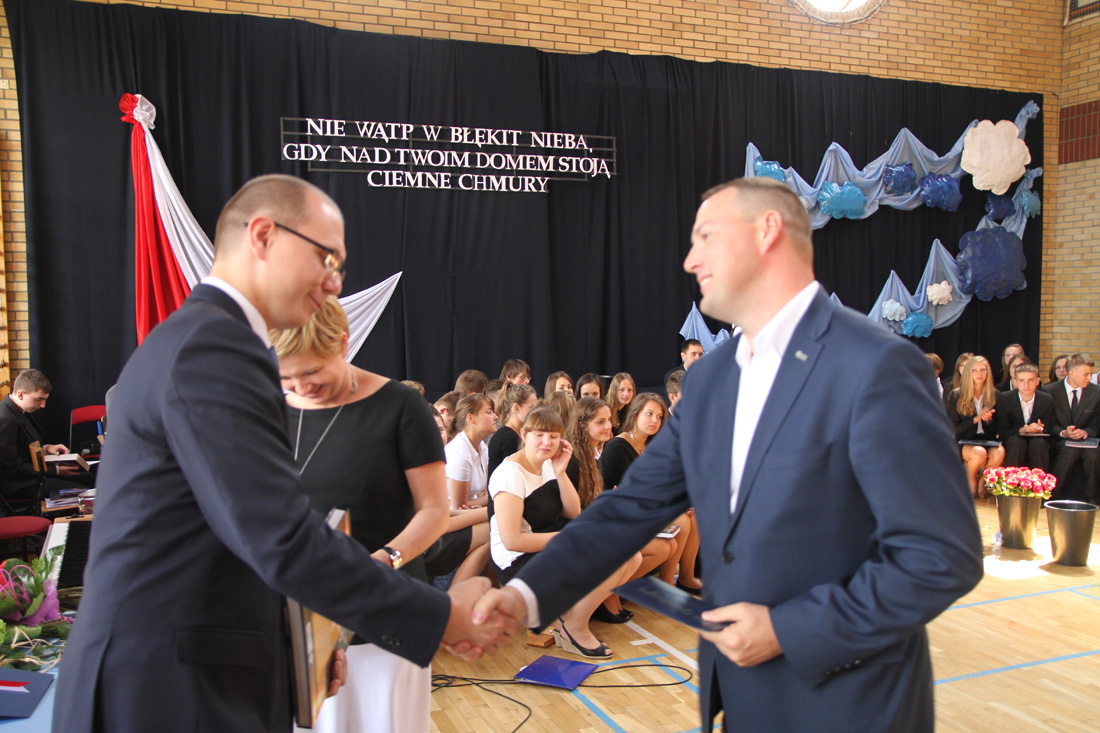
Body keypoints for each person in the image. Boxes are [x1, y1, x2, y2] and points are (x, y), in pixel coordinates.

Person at [500, 177, 982, 732]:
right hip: (741, 697)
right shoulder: (710, 381)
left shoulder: (876, 366)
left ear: (767, 231)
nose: (690, 260)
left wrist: (786, 630)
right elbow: (629, 508)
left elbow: (940, 554)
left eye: (705, 237)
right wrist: (521, 597)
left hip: (849, 703)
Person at [53, 175, 522, 733]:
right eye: (327, 259)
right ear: (263, 236)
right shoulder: (216, 348)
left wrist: (303, 642)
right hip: (171, 688)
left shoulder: (204, 338)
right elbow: (279, 538)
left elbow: (238, 539)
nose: (334, 283)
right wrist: (441, 615)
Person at [272, 297, 448, 733]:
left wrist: (385, 560)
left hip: (383, 616)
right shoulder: (270, 410)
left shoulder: (401, 406)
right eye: (286, 376)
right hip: (300, 618)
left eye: (312, 372)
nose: (300, 387)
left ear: (343, 343)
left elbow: (434, 510)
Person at [488, 406, 639, 657]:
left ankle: (570, 618)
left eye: (554, 436)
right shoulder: (510, 475)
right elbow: (512, 541)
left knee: (631, 556)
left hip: (548, 543)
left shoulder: (547, 463)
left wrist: (560, 472)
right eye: (539, 435)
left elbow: (573, 512)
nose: (547, 442)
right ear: (524, 435)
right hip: (518, 560)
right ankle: (573, 627)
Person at [600, 394, 691, 588]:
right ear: (635, 414)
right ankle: (665, 583)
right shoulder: (618, 446)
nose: (654, 420)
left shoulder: (652, 444)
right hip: (623, 515)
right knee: (682, 520)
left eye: (659, 416)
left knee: (694, 517)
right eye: (649, 414)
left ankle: (684, 578)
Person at [0, 368, 95, 500]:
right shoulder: (4, 418)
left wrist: (46, 448)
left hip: (32, 474)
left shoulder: (19, 410)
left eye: (44, 400)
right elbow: (11, 468)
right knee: (82, 491)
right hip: (19, 484)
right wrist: (56, 470)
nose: (43, 405)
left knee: (88, 477)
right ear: (21, 394)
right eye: (39, 399)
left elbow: (23, 446)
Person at [945, 355, 1005, 497]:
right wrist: (975, 419)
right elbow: (953, 429)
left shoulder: (995, 394)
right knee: (979, 453)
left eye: (983, 370)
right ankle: (970, 478)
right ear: (968, 373)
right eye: (975, 370)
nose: (979, 374)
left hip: (986, 439)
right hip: (963, 440)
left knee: (999, 452)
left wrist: (988, 420)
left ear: (988, 372)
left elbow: (998, 428)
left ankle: (982, 480)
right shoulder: (956, 395)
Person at [1048, 353, 1100, 503]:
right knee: (1071, 450)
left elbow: (1096, 424)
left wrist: (1085, 432)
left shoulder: (1096, 393)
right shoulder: (1050, 392)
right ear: (1071, 373)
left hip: (1086, 440)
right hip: (1060, 439)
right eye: (1086, 374)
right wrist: (1064, 432)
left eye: (1091, 374)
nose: (1090, 378)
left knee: (1093, 454)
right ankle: (1054, 495)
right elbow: (1048, 424)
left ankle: (1093, 498)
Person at [995, 362, 1054, 472]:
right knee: (1017, 443)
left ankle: (1040, 480)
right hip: (1014, 438)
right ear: (1016, 382)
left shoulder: (1047, 399)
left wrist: (1040, 429)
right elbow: (1003, 431)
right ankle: (1011, 479)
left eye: (1031, 380)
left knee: (1038, 443)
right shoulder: (1004, 399)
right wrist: (1022, 430)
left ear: (1037, 381)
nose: (1026, 385)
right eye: (1022, 380)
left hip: (1038, 439)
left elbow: (1049, 429)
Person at [445, 393, 498, 511]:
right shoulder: (459, 453)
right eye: (489, 412)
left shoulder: (482, 446)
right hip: (451, 516)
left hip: (471, 512)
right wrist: (488, 499)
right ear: (471, 418)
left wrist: (485, 499)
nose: (496, 417)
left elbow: (483, 492)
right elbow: (459, 507)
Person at [488, 383, 537, 477]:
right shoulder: (509, 438)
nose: (535, 412)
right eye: (532, 407)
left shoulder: (513, 434)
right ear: (516, 408)